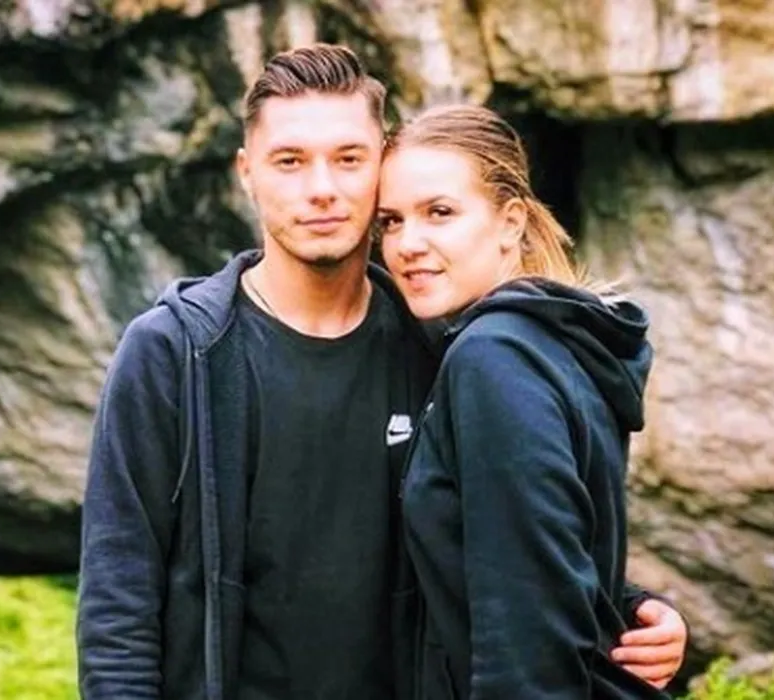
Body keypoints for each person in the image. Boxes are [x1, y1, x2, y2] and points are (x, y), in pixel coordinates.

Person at [76, 43, 687, 700]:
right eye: (289, 161)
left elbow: (502, 541)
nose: (321, 188)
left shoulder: (440, 346)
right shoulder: (174, 352)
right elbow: (118, 606)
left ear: (381, 168)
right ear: (247, 172)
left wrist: (631, 611)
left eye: (348, 159)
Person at [376, 101, 675, 698]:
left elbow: (528, 631)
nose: (408, 243)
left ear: (511, 222)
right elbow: (553, 549)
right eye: (390, 221)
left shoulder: (493, 357)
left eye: (439, 212)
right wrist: (629, 604)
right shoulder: (555, 339)